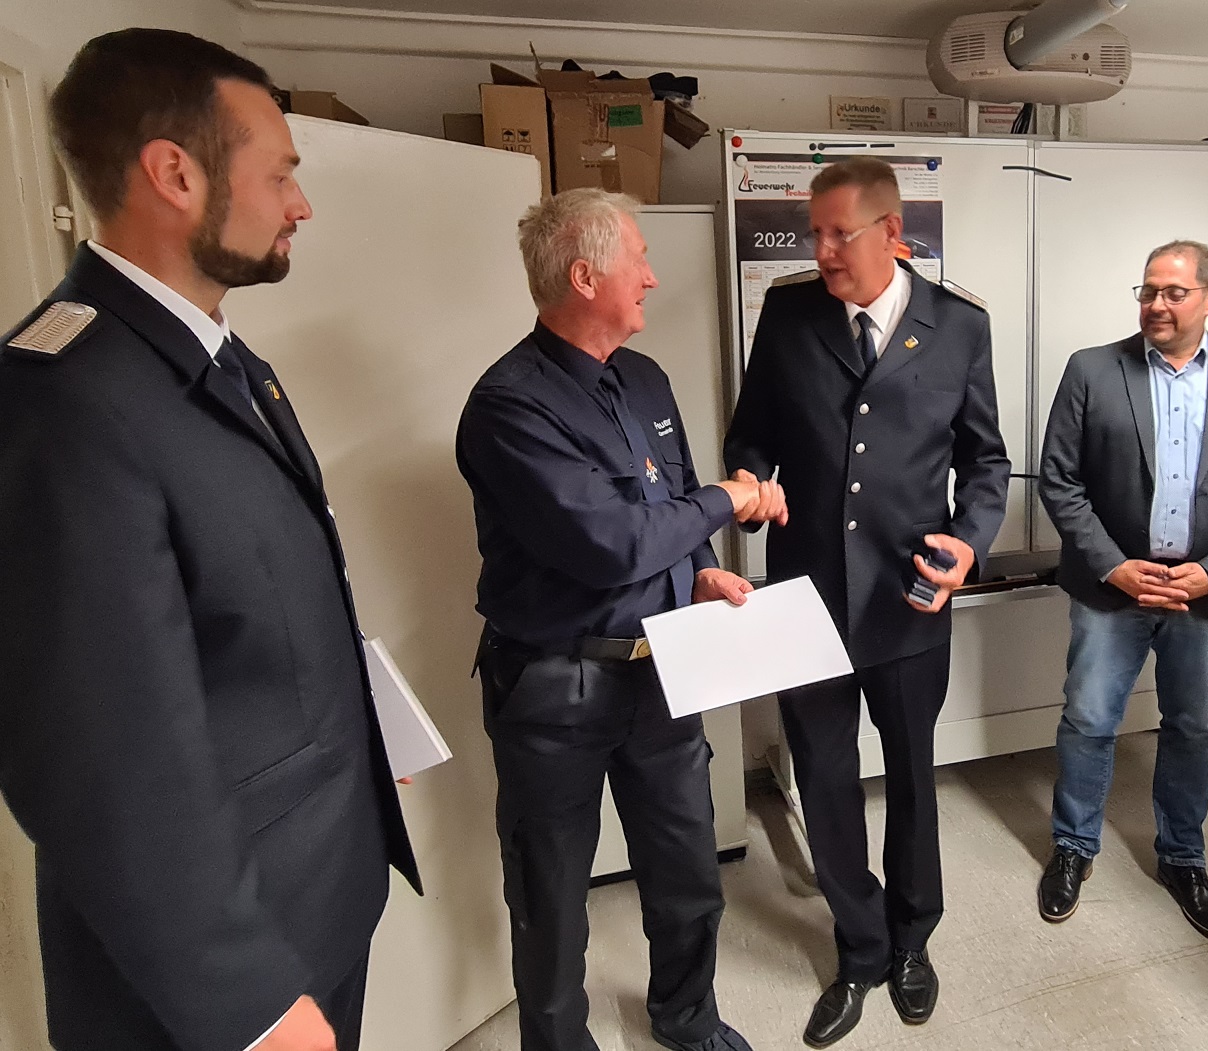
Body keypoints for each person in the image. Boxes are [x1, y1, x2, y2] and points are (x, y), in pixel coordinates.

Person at [0, 29, 416, 1051]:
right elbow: (96, 757)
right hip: (213, 979)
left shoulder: (224, 362)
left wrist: (361, 736)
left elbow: (246, 610)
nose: (300, 204)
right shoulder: (65, 403)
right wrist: (251, 1006)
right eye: (279, 174)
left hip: (312, 890)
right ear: (176, 175)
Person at [456, 188, 774, 1051]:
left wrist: (702, 570)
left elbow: (671, 505)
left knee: (687, 872)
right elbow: (610, 544)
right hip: (554, 688)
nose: (652, 277)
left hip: (663, 668)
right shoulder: (508, 405)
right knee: (551, 895)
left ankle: (687, 1019)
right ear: (585, 274)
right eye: (639, 258)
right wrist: (731, 497)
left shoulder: (645, 378)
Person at [724, 157, 1009, 1047]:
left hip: (908, 593)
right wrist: (750, 480)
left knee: (913, 773)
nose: (819, 250)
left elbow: (986, 459)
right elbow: (752, 432)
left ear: (891, 232)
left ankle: (913, 936)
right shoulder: (788, 313)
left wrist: (971, 539)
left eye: (835, 233)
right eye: (813, 232)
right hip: (802, 594)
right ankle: (859, 945)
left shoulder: (958, 325)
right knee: (822, 775)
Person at [1036, 241, 1208, 942]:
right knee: (1088, 719)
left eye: (1173, 292)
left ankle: (1183, 856)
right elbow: (1059, 480)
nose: (1156, 304)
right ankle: (1073, 846)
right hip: (1112, 588)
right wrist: (1112, 565)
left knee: (1192, 725)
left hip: (1200, 593)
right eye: (1147, 291)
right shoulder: (1092, 369)